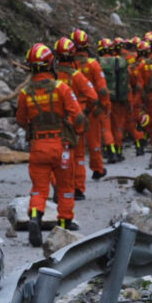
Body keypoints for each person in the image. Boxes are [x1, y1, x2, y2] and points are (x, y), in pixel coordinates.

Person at [16, 43, 85, 247]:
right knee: (65, 187)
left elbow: (21, 119)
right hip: (60, 145)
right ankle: (62, 226)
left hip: (38, 146)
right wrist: (76, 132)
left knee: (39, 188)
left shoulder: (25, 93)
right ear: (50, 64)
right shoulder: (61, 88)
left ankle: (35, 217)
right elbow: (78, 116)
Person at [53, 37, 98, 201]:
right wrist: (86, 113)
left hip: (55, 122)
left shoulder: (52, 76)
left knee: (57, 157)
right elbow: (93, 96)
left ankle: (59, 187)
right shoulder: (77, 76)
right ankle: (77, 189)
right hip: (75, 120)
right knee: (77, 156)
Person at [69, 29, 110, 179]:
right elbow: (103, 89)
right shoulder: (93, 64)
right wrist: (104, 105)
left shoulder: (68, 67)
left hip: (72, 109)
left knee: (76, 144)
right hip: (92, 108)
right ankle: (98, 169)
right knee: (94, 141)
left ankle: (73, 173)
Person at [97, 38, 130, 164]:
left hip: (103, 99)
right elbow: (127, 81)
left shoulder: (97, 63)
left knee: (106, 126)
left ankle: (109, 150)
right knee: (118, 125)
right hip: (118, 99)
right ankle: (119, 150)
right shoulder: (121, 62)